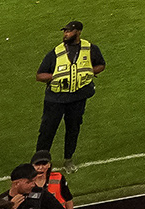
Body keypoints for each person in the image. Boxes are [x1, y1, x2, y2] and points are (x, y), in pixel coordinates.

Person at [34, 24, 105, 164]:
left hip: (78, 97)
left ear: (78, 32)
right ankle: (39, 163)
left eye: (69, 31)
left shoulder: (90, 49)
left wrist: (87, 72)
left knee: (73, 129)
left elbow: (101, 65)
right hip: (56, 98)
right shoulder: (56, 52)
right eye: (65, 31)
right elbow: (39, 75)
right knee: (47, 131)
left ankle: (68, 159)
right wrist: (56, 77)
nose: (65, 34)